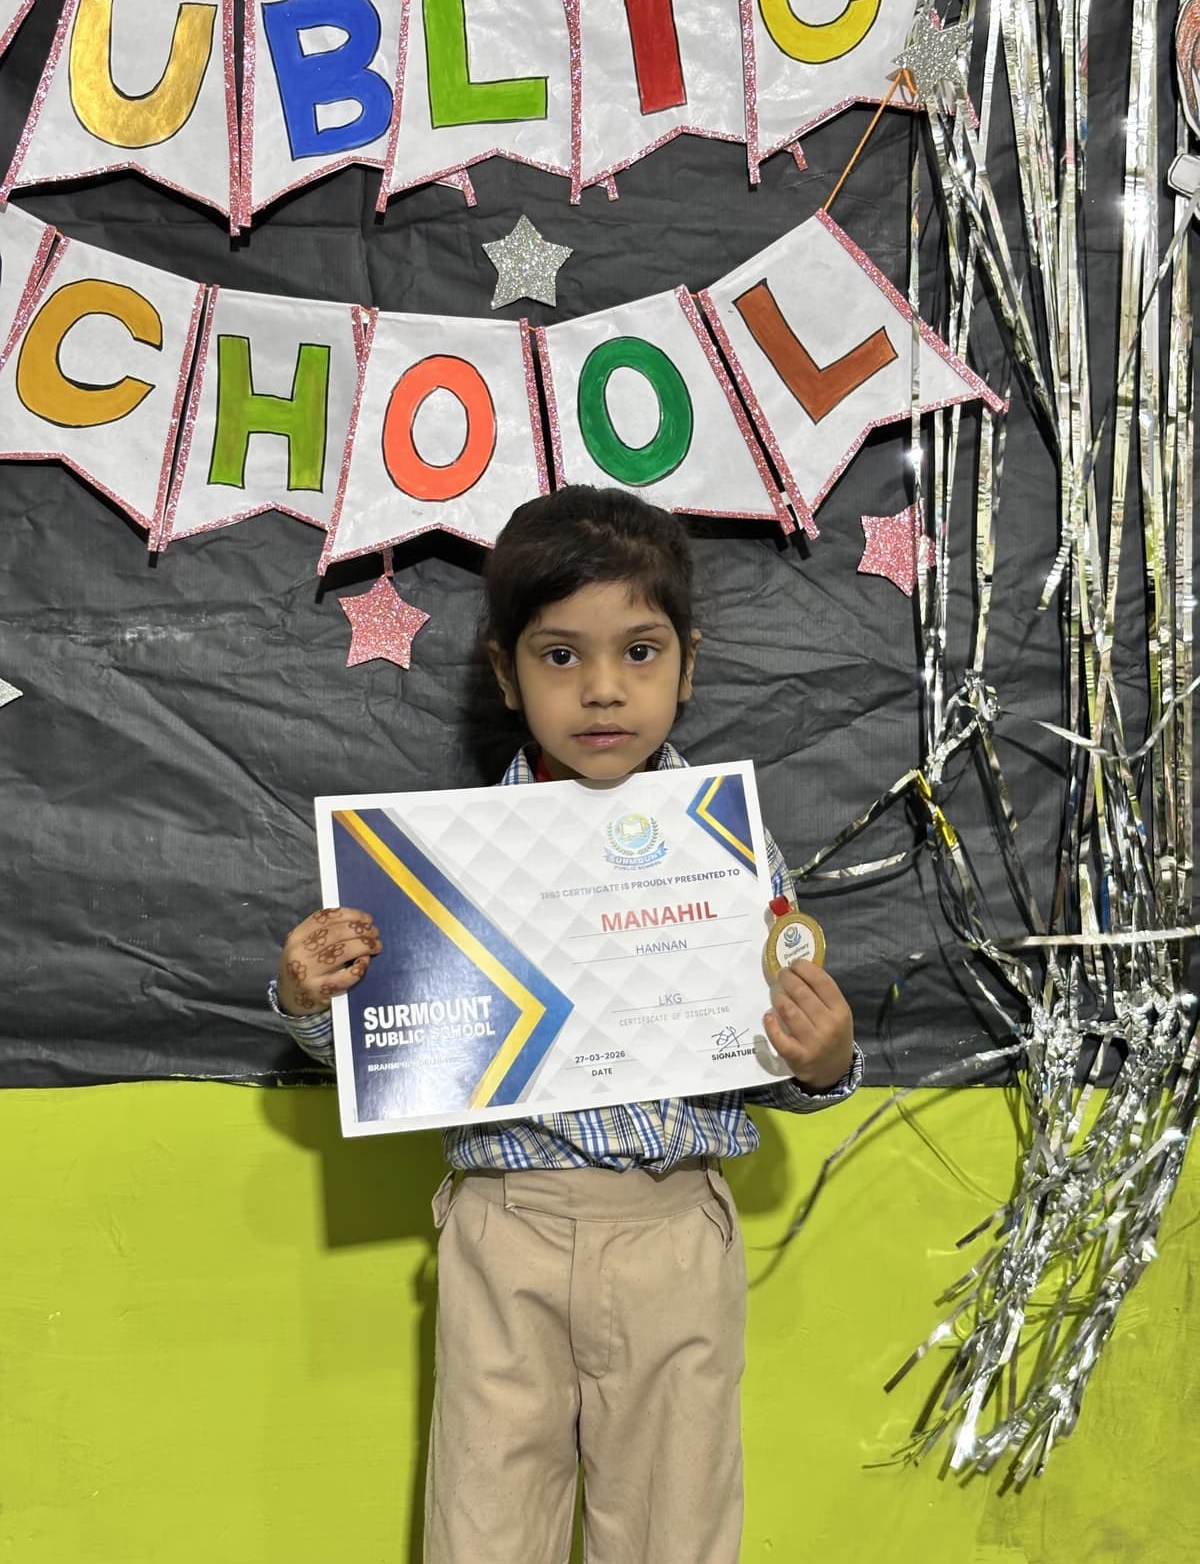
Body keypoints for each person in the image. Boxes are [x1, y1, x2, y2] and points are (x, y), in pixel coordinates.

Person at [270, 486, 863, 1564]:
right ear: (505, 672)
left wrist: (825, 1063)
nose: (602, 688)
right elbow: (398, 1045)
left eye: (639, 652)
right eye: (560, 656)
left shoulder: (734, 856)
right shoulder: (439, 863)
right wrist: (315, 1003)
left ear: (687, 661)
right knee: (483, 1529)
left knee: (675, 1533)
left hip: (674, 1229)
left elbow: (779, 1051)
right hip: (507, 1230)